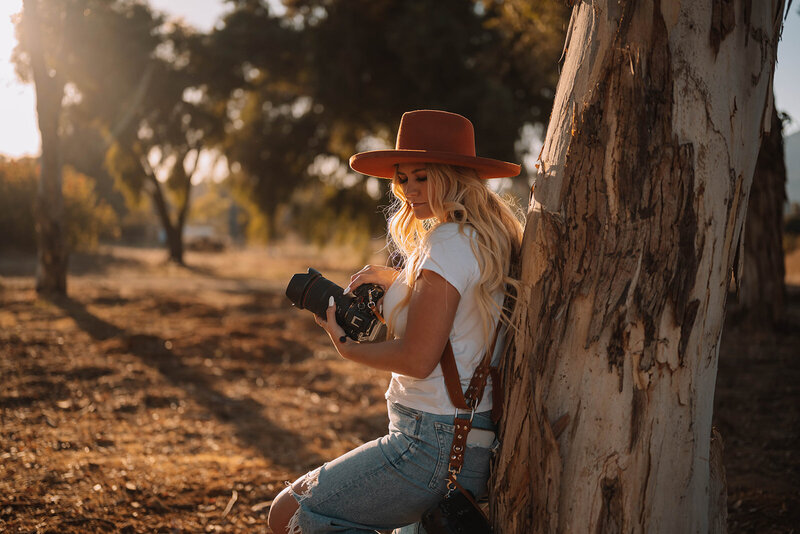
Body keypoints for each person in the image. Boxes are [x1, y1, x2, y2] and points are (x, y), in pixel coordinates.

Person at [268, 110, 523, 533]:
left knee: (289, 513)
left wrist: (349, 349)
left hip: (432, 444)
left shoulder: (446, 243)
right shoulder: (479, 238)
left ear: (454, 175)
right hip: (460, 439)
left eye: (422, 177)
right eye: (403, 179)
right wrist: (401, 281)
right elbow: (456, 320)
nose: (409, 191)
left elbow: (419, 358)